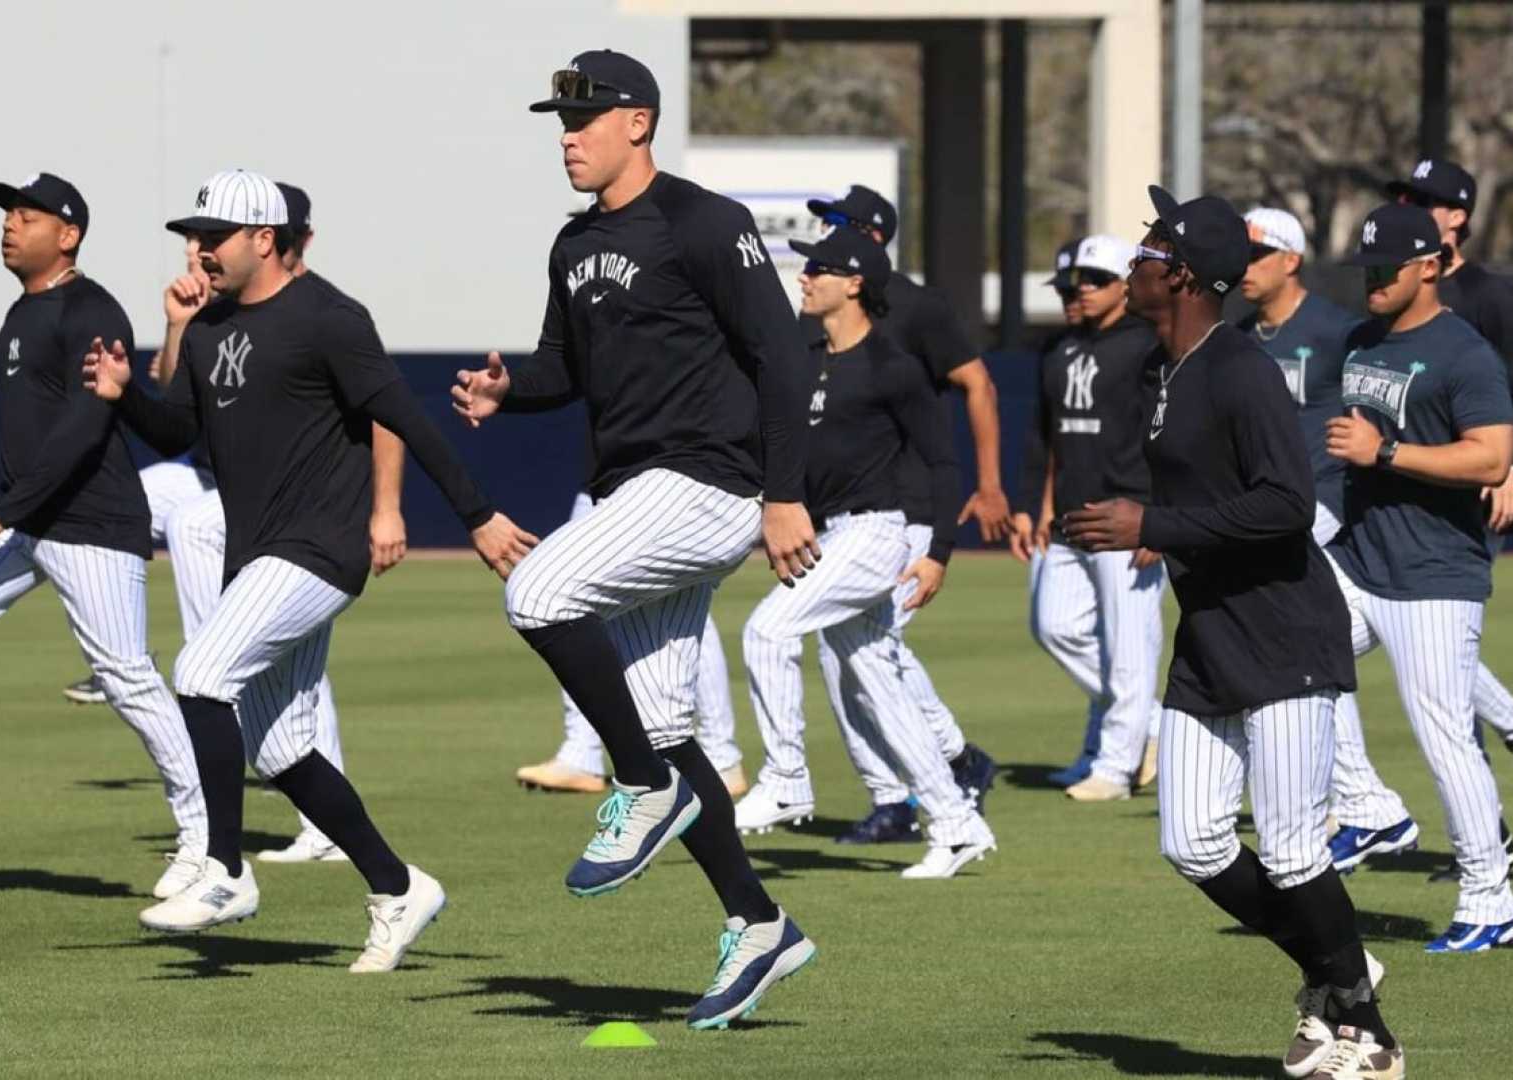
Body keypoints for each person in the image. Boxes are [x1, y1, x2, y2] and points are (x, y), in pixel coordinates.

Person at [85, 169, 533, 973]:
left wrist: (477, 514)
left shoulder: (331, 317)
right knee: (282, 748)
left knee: (200, 672)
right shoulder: (212, 322)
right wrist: (125, 391)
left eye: (213, 237)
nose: (199, 250)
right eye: (194, 236)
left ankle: (223, 870)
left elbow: (405, 419)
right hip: (258, 551)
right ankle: (399, 888)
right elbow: (176, 428)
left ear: (264, 239)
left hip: (321, 548)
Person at [451, 51, 817, 1029]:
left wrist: (785, 495)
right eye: (559, 122)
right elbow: (559, 368)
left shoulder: (705, 222)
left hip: (708, 482)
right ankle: (758, 921)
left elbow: (782, 358)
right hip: (634, 488)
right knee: (659, 723)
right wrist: (507, 391)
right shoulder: (574, 246)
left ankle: (643, 787)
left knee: (535, 593)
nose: (567, 136)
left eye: (584, 119)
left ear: (639, 123)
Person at [1064, 187, 1402, 1079]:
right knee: (1193, 843)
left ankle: (1368, 1035)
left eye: (1145, 250)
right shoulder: (1164, 369)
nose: (1133, 261)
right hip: (1213, 635)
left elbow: (1288, 505)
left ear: (1179, 272)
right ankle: (1338, 972)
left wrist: (1154, 527)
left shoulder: (1239, 368)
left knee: (1293, 851)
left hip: (1286, 636)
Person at [0, 173, 207, 908]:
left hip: (92, 519)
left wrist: (6, 511)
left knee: (125, 676)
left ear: (67, 234)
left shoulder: (91, 308)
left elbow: (86, 425)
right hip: (27, 515)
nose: (9, 225)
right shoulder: (23, 313)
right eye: (7, 215)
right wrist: (6, 510)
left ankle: (206, 834)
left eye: (26, 215)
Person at [733, 185, 999, 840]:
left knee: (776, 634)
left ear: (859, 270)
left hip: (887, 522)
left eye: (823, 257)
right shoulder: (813, 347)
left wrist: (941, 548)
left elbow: (953, 435)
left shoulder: (901, 344)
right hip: (834, 525)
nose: (809, 268)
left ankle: (796, 778)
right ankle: (952, 809)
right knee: (871, 670)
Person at [1319, 202, 1513, 953]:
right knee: (1299, 659)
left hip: (1435, 576)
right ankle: (1370, 807)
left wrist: (1384, 455)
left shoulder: (1464, 353)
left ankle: (1490, 897)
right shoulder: (1360, 340)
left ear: (1430, 266)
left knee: (1444, 739)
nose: (1371, 281)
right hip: (1362, 560)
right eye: (1364, 268)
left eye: (1386, 269)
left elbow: (1490, 458)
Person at [1235, 208, 1423, 874]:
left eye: (1256, 253)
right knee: (1304, 649)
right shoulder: (1238, 336)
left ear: (1290, 258)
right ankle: (1363, 810)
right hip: (1266, 517)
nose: (1244, 265)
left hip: (1326, 512)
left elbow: (1392, 406)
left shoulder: (1338, 332)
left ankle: (1369, 810)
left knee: (1302, 645)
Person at [1390, 157, 1513, 837]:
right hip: (1400, 495)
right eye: (1407, 196)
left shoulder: (1489, 295)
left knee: (1436, 662)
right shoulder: (1392, 287)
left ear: (1458, 218)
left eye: (1427, 199)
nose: (1414, 205)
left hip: (1471, 489)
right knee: (1435, 666)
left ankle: (1487, 827)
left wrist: (1512, 470)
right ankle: (1490, 819)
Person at [1025, 234, 1164, 802]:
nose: (1076, 292)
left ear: (1123, 287)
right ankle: (1154, 726)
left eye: (1092, 281)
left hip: (1129, 515)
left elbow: (1172, 434)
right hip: (1070, 516)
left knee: (1131, 648)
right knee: (1054, 626)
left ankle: (1114, 766)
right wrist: (1039, 506)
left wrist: (1161, 516)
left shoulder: (1149, 347)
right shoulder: (1058, 349)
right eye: (1070, 283)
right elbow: (1047, 437)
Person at [514, 488, 746, 798]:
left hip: (658, 478)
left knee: (682, 604)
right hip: (601, 479)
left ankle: (720, 754)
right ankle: (582, 751)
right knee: (574, 601)